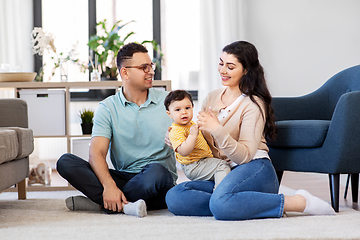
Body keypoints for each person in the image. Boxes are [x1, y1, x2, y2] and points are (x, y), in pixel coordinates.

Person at [165, 41, 335, 220]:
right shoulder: (211, 98)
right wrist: (177, 137)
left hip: (254, 168)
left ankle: (297, 202)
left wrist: (217, 129)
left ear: (245, 70)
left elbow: (244, 156)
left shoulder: (253, 104)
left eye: (230, 67)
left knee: (220, 203)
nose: (222, 70)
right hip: (223, 173)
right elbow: (200, 138)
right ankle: (242, 203)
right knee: (175, 197)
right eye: (221, 63)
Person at [57, 42, 177, 217]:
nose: (151, 71)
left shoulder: (169, 101)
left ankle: (103, 203)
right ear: (125, 72)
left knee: (156, 171)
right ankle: (123, 202)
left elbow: (189, 133)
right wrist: (110, 186)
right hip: (125, 176)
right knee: (65, 161)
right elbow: (96, 153)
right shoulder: (108, 107)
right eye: (144, 67)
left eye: (151, 66)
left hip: (159, 180)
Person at [164, 90, 231, 189]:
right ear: (169, 114)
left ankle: (212, 188)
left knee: (221, 169)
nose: (184, 112)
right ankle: (220, 192)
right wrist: (192, 135)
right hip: (193, 165)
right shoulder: (175, 131)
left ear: (192, 107)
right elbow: (183, 151)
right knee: (223, 166)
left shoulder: (191, 124)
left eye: (187, 108)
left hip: (203, 160)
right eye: (178, 110)